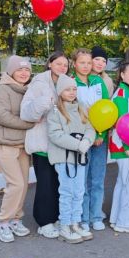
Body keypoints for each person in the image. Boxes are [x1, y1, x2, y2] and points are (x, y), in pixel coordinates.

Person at [20, 51, 69, 239]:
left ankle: (55, 216)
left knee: (58, 183)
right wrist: (43, 103)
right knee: (45, 183)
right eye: (58, 64)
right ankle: (44, 221)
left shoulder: (66, 84)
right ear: (50, 64)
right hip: (43, 143)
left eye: (65, 65)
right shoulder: (39, 83)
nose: (62, 67)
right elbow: (26, 112)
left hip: (60, 143)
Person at [0, 56, 35, 243]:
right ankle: (3, 221)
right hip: (3, 144)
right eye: (20, 70)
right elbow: (2, 117)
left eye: (27, 70)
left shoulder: (27, 91)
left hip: (22, 145)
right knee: (16, 184)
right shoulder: (2, 90)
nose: (24, 73)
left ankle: (16, 219)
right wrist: (29, 124)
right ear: (11, 71)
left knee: (23, 184)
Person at [47, 75, 96, 244]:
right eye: (68, 89)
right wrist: (77, 144)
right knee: (67, 192)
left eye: (74, 89)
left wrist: (87, 141)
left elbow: (90, 128)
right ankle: (65, 224)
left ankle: (75, 221)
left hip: (80, 157)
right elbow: (56, 135)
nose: (71, 92)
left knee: (79, 191)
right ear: (60, 91)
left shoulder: (81, 108)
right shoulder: (55, 111)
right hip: (65, 158)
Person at [71, 48, 110, 232]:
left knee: (97, 179)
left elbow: (105, 110)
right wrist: (86, 137)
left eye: (88, 63)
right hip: (81, 139)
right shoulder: (71, 83)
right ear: (75, 64)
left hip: (99, 139)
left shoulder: (98, 82)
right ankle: (83, 217)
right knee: (82, 181)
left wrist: (100, 134)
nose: (86, 66)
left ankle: (96, 215)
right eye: (82, 63)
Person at [108, 61, 129, 234]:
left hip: (128, 143)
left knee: (123, 182)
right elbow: (122, 122)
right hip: (125, 144)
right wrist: (128, 144)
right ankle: (126, 222)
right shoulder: (122, 94)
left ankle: (116, 218)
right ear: (122, 75)